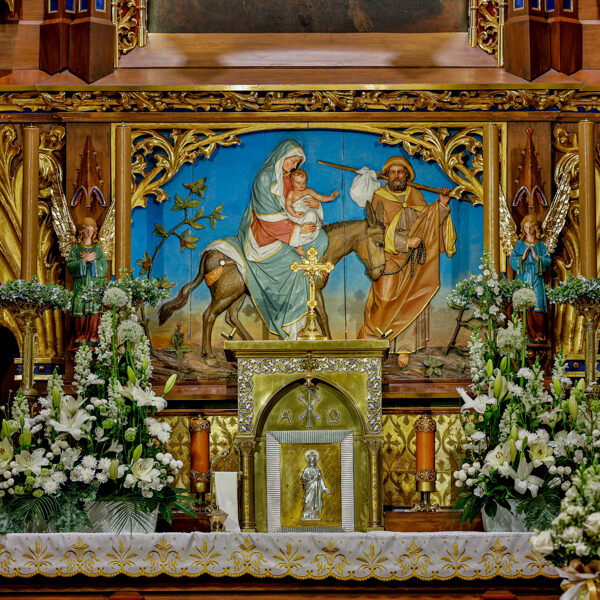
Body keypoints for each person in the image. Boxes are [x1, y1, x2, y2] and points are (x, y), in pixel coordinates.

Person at [214, 139, 329, 340]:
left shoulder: (288, 178)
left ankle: (305, 294)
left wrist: (315, 205)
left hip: (288, 229)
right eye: (292, 161)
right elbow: (266, 216)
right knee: (296, 266)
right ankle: (291, 324)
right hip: (263, 236)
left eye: (297, 163)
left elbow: (296, 202)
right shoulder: (265, 178)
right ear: (282, 156)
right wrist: (297, 230)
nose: (294, 166)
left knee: (322, 237)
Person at [352, 156, 456, 368]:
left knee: (412, 300)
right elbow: (376, 230)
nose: (397, 176)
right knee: (384, 298)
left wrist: (442, 205)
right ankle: (374, 342)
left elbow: (428, 221)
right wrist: (405, 242)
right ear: (387, 176)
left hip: (414, 259)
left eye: (400, 172)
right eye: (392, 172)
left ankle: (404, 348)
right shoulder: (379, 197)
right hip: (389, 255)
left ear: (407, 175)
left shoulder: (414, 194)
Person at [509, 215, 552, 342]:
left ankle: (539, 335)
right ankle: (526, 334)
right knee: (523, 304)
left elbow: (548, 260)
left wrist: (536, 257)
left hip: (537, 278)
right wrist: (522, 258)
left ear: (536, 228)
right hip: (523, 277)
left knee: (538, 304)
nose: (529, 230)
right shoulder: (520, 244)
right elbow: (512, 259)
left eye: (531, 227)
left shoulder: (541, 245)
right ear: (523, 228)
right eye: (526, 227)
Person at [67, 217, 108, 345]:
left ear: (94, 231)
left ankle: (93, 336)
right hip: (80, 286)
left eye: (91, 230)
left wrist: (93, 261)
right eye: (86, 230)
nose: (89, 233)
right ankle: (80, 336)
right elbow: (70, 266)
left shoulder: (97, 249)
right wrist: (84, 261)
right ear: (81, 231)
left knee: (94, 309)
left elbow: (104, 267)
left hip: (94, 286)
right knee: (80, 308)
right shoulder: (76, 249)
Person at [285, 168, 338, 255]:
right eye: (298, 183)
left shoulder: (308, 190)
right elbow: (288, 205)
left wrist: (330, 198)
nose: (302, 185)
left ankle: (306, 241)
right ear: (293, 182)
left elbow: (319, 197)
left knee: (312, 215)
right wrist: (294, 213)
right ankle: (299, 245)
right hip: (297, 217)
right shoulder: (292, 193)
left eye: (304, 183)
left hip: (307, 215)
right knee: (302, 226)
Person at [301, 450, 330, 521]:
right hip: (309, 487)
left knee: (315, 502)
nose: (312, 462)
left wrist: (324, 488)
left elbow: (320, 480)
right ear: (309, 462)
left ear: (315, 462)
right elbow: (303, 477)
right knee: (308, 500)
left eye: (313, 461)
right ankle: (306, 515)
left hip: (317, 488)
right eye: (311, 461)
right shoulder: (307, 470)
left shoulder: (317, 470)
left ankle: (314, 515)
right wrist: (307, 479)